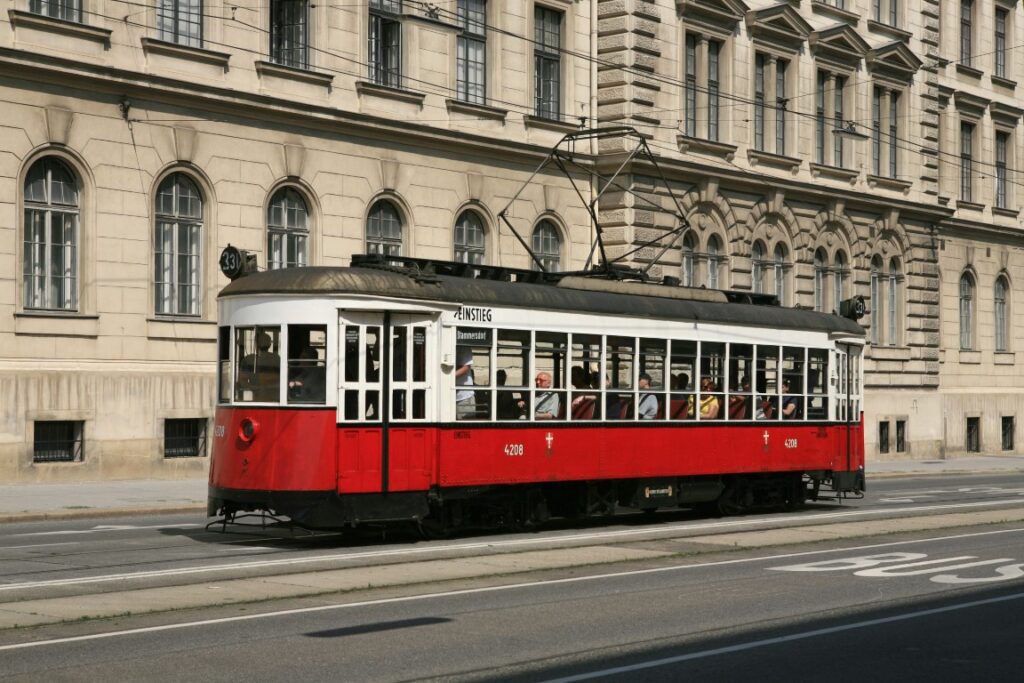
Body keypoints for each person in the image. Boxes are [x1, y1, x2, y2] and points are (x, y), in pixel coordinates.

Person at [455, 344, 475, 419]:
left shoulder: (463, 344)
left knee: (464, 428)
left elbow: (465, 368)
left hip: (464, 397)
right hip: (450, 397)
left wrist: (447, 378)